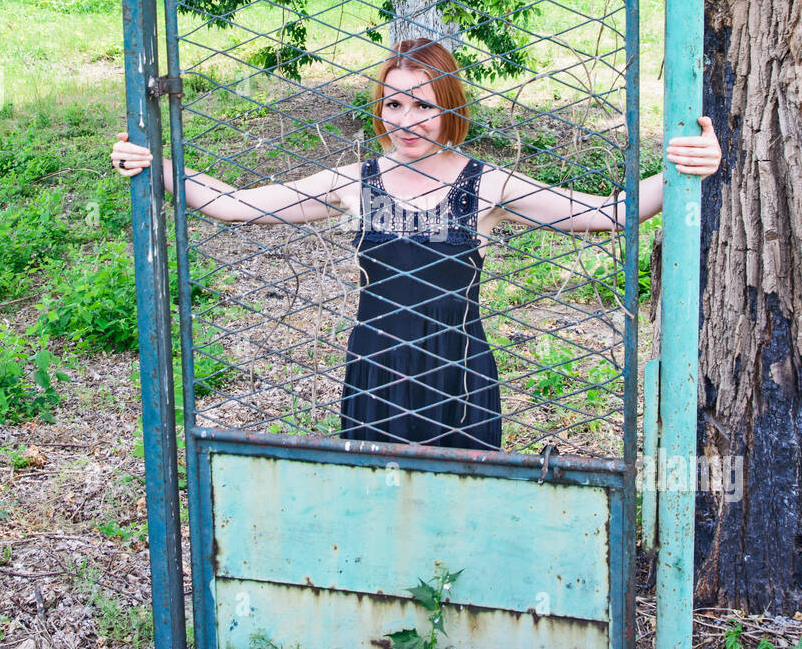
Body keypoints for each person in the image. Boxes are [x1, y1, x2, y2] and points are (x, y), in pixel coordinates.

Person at [110, 37, 721, 450]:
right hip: (374, 366)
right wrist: (156, 164)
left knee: (462, 510)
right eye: (392, 104)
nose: (404, 121)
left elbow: (605, 214)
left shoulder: (486, 186)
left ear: (450, 106)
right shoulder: (356, 182)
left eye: (422, 105)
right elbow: (235, 206)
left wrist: (682, 168)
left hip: (458, 369)